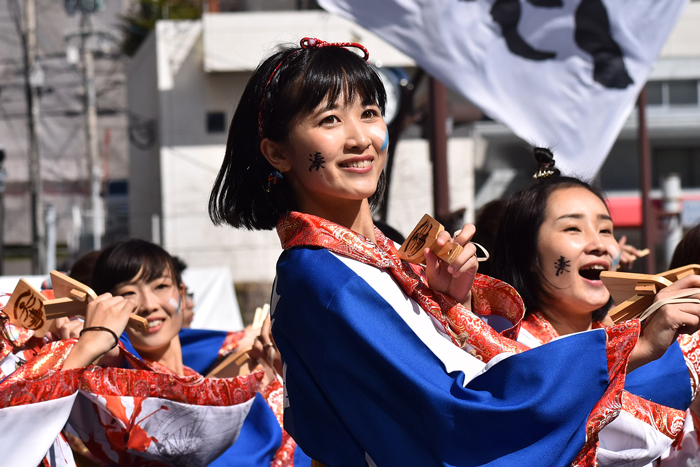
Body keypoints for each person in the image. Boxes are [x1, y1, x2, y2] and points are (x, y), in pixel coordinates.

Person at [208, 37, 700, 467]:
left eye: (370, 113)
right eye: (329, 120)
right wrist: (630, 347)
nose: (361, 138)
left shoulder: (374, 261)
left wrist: (451, 305)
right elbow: (455, 417)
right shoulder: (323, 277)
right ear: (276, 152)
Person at [492, 147, 700, 466]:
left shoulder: (639, 336)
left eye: (606, 230)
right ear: (529, 256)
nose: (600, 244)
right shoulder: (504, 351)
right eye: (572, 228)